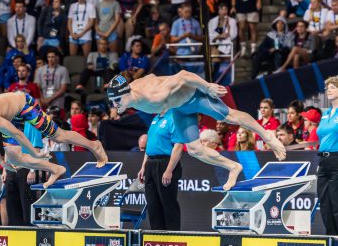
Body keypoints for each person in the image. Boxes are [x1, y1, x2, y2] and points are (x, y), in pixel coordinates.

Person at [106, 71, 286, 190]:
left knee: (229, 117)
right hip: (179, 109)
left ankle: (268, 136)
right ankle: (233, 167)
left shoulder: (154, 94)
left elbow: (183, 75)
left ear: (127, 94)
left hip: (194, 97)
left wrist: (207, 86)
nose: (115, 106)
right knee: (193, 150)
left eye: (117, 101)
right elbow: (152, 75)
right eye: (113, 102)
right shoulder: (132, 90)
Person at [0, 92, 109, 186]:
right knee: (15, 157)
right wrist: (1, 162)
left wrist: (35, 153)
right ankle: (56, 169)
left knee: (59, 136)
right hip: (10, 116)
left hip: (24, 105)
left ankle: (94, 145)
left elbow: (17, 134)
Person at [137, 110, 183, 231]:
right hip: (150, 164)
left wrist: (169, 170)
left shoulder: (174, 117)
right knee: (152, 204)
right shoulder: (155, 119)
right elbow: (149, 146)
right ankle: (156, 236)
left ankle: (173, 238)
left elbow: (178, 146)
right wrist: (143, 167)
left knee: (168, 203)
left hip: (165, 163)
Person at [316, 77, 338, 233]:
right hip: (323, 161)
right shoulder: (325, 113)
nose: (328, 90)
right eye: (327, 88)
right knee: (324, 202)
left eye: (332, 87)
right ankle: (331, 237)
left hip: (337, 160)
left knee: (336, 201)